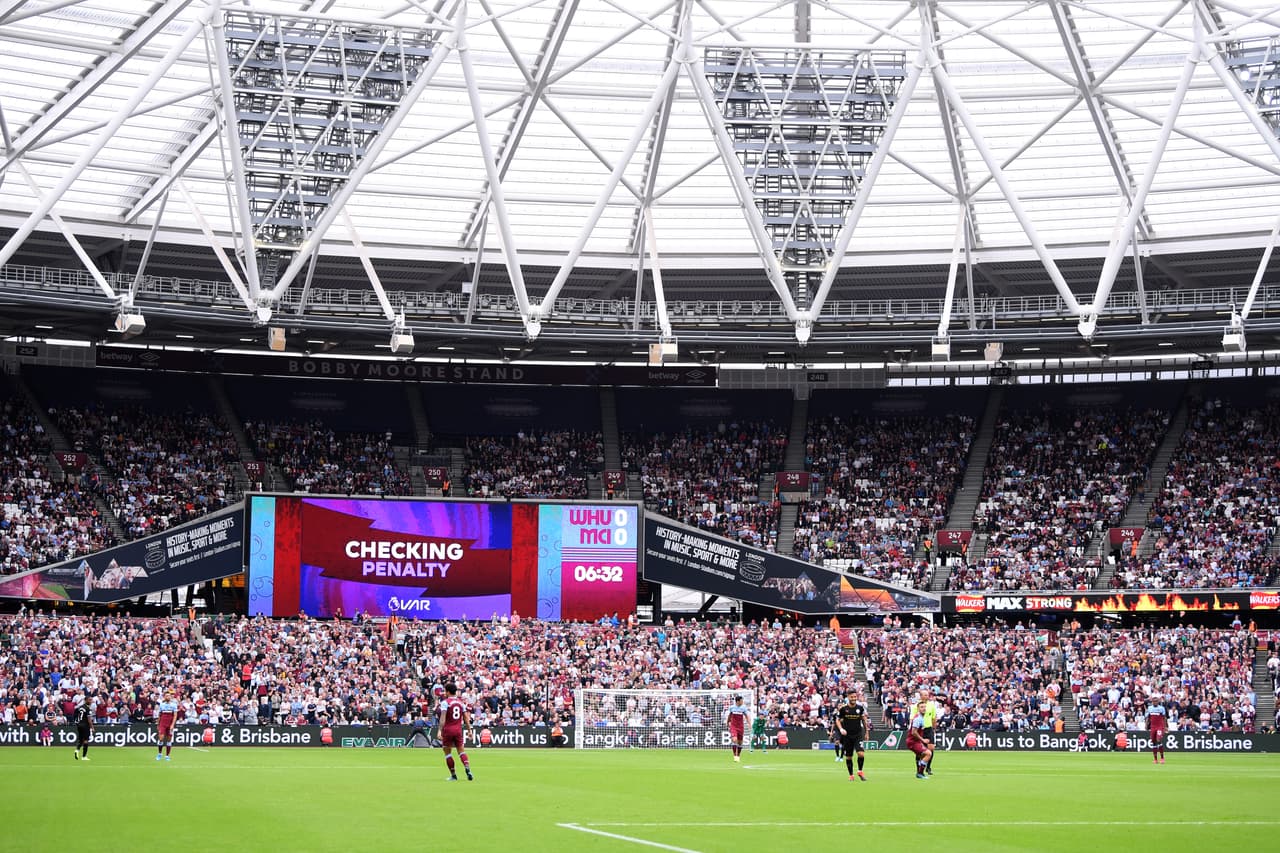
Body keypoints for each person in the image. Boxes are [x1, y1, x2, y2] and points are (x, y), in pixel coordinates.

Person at [434, 683, 473, 781]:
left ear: (447, 692)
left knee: (448, 753)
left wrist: (439, 731)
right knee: (461, 751)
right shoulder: (460, 703)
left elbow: (442, 718)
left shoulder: (445, 702)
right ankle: (467, 767)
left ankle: (453, 775)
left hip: (448, 730)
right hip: (458, 730)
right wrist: (469, 731)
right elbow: (466, 719)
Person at [835, 689, 870, 781]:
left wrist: (866, 732)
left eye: (855, 697)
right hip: (847, 736)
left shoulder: (860, 708)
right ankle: (851, 775)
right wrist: (841, 729)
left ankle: (860, 771)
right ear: (848, 697)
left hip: (858, 734)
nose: (854, 698)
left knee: (861, 754)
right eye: (852, 697)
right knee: (849, 756)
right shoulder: (843, 709)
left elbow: (864, 720)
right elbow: (837, 720)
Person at [906, 700, 932, 780]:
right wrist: (923, 740)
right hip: (913, 741)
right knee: (928, 753)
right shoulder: (918, 719)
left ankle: (919, 772)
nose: (924, 708)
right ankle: (920, 773)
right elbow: (914, 732)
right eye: (921, 707)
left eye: (924, 707)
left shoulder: (921, 718)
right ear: (918, 709)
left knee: (922, 756)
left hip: (914, 741)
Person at [920, 690, 940, 775]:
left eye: (927, 695)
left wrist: (934, 728)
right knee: (921, 750)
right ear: (921, 696)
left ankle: (928, 767)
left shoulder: (931, 705)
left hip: (929, 729)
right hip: (920, 730)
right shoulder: (917, 705)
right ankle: (920, 767)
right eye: (925, 695)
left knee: (931, 748)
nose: (927, 696)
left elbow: (933, 718)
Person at [724, 694, 749, 763]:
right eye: (741, 700)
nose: (742, 701)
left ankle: (738, 755)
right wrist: (727, 722)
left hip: (741, 727)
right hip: (733, 726)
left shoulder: (743, 708)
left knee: (740, 743)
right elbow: (730, 715)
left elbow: (747, 716)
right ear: (738, 701)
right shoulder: (732, 707)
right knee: (734, 740)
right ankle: (735, 755)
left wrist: (749, 724)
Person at [156, 690, 178, 761]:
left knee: (169, 739)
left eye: (169, 696)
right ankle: (159, 753)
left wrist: (172, 725)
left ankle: (167, 755)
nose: (168, 697)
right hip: (163, 723)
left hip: (170, 723)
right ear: (164, 697)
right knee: (161, 738)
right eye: (166, 696)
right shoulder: (162, 705)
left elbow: (175, 716)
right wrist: (158, 723)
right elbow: (160, 715)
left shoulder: (174, 705)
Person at [1147, 696, 1168, 764]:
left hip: (1159, 726)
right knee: (1153, 742)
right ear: (1152, 702)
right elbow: (1148, 717)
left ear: (1158, 702)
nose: (1155, 702)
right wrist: (1146, 725)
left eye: (1156, 701)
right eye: (1153, 701)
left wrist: (1165, 727)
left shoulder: (1161, 708)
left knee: (1158, 740)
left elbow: (1164, 718)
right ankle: (1155, 759)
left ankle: (1162, 758)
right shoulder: (1150, 708)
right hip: (1153, 727)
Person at [73, 695, 92, 761]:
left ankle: (77, 750)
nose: (91, 701)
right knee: (86, 741)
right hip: (85, 726)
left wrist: (76, 722)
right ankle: (84, 756)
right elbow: (89, 720)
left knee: (81, 740)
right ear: (85, 700)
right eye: (89, 700)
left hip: (79, 725)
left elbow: (75, 715)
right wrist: (92, 727)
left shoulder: (80, 708)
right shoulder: (88, 709)